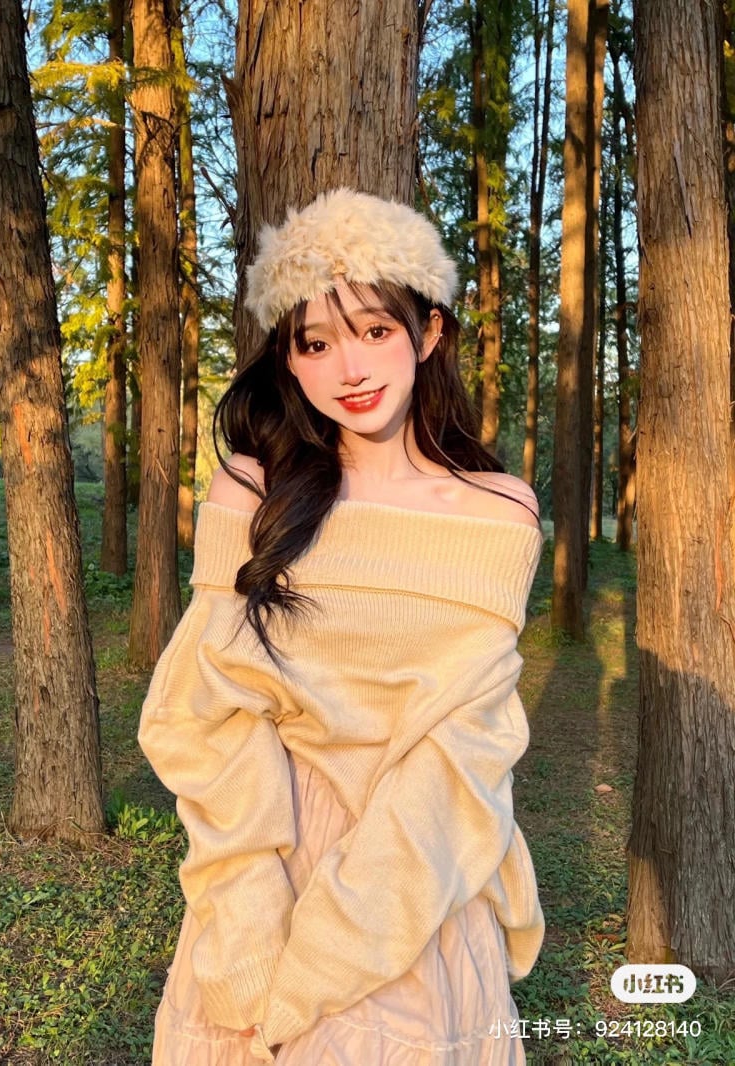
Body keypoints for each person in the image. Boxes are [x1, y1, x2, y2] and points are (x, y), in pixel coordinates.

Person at [138, 188, 544, 1066]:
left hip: (415, 878)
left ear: (428, 333)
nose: (349, 368)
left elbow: (467, 745)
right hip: (266, 860)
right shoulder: (253, 491)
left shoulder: (500, 512)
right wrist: (249, 918)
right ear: (289, 362)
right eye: (315, 343)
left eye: (375, 330)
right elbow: (203, 714)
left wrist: (339, 942)